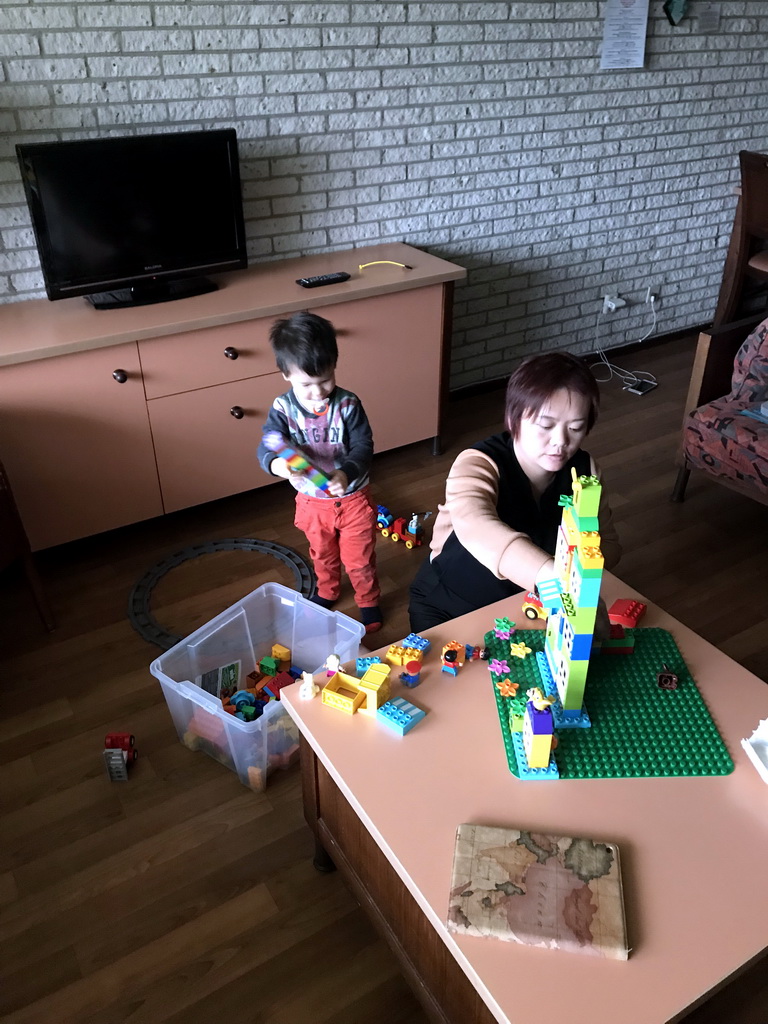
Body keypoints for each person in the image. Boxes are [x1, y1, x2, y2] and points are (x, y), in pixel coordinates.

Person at [408, 351, 621, 632]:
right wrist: (553, 578)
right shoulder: (478, 462)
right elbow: (476, 524)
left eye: (576, 428)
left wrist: (583, 576)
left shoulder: (585, 471)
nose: (560, 441)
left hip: (525, 604)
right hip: (449, 604)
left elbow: (608, 545)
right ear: (513, 418)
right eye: (545, 426)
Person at [257, 311, 382, 633]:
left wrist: (346, 472)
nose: (318, 392)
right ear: (285, 374)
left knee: (359, 559)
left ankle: (368, 600)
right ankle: (327, 591)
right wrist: (279, 465)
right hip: (313, 503)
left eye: (326, 380)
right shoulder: (282, 409)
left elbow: (363, 446)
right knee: (322, 554)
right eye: (306, 384)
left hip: (353, 497)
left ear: (335, 365)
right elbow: (267, 445)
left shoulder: (348, 405)